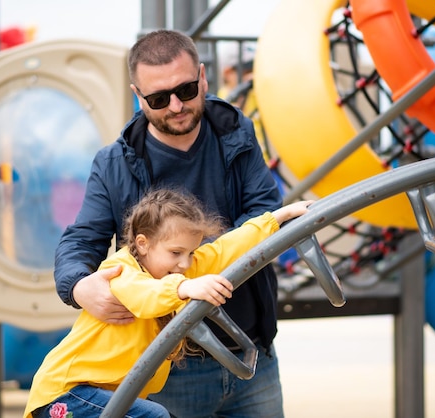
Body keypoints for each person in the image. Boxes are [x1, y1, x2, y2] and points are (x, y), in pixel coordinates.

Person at [54, 29, 286, 417]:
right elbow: (82, 239)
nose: (176, 105)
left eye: (186, 90)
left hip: (250, 348)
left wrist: (195, 264)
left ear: (202, 77)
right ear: (137, 95)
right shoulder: (115, 163)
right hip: (169, 363)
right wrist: (79, 286)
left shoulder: (235, 133)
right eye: (159, 98)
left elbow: (262, 210)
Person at [27, 188, 312, 417]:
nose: (185, 262)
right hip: (67, 393)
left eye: (190, 252)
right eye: (176, 252)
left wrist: (277, 218)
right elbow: (145, 297)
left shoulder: (181, 267)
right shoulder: (122, 270)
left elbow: (228, 248)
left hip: (106, 396)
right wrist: (186, 287)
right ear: (142, 243)